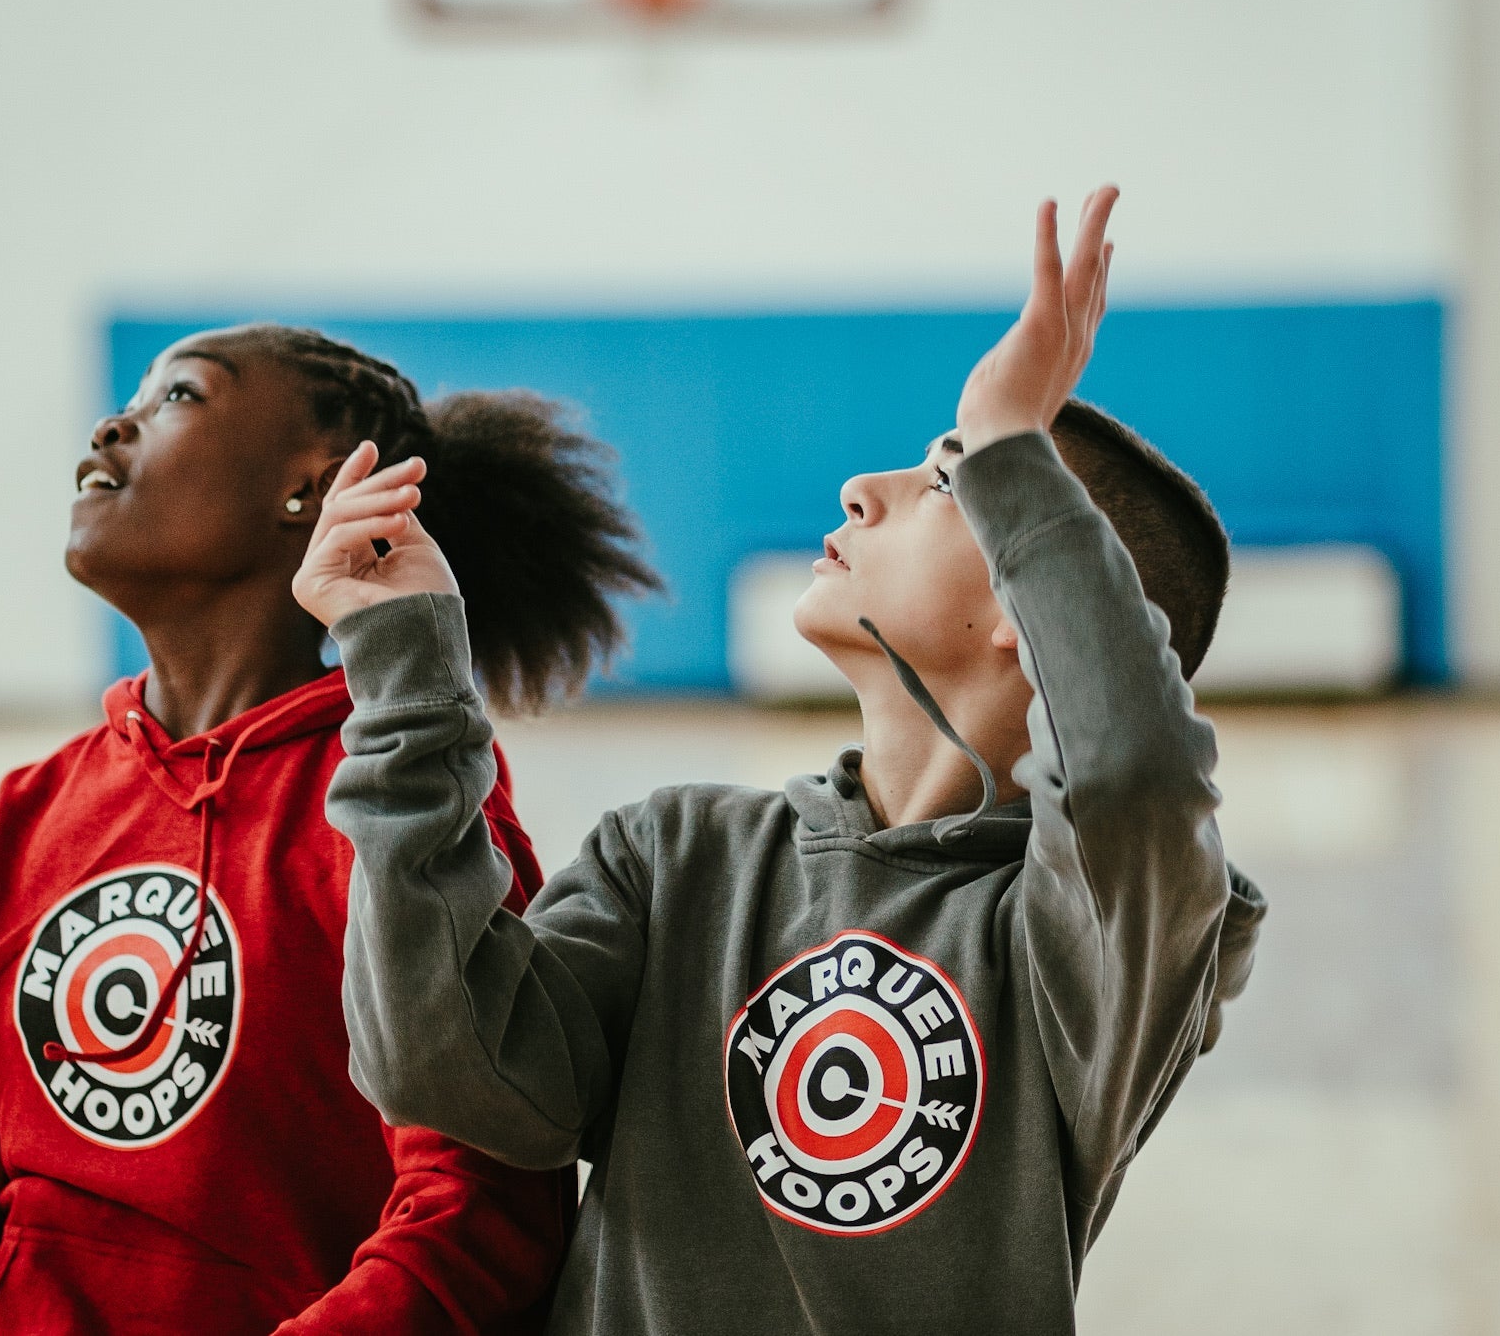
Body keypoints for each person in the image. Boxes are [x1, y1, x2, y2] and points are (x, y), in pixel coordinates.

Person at [298, 188, 1267, 1335]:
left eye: (946, 484)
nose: (865, 488)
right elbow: (447, 1068)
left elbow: (1136, 784)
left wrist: (1010, 439)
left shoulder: (1103, 940)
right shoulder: (675, 855)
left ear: (1032, 600)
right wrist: (403, 666)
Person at [0, 329, 662, 1335]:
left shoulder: (403, 811)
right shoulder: (17, 824)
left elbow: (478, 1221)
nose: (110, 423)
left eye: (177, 396)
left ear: (308, 487)